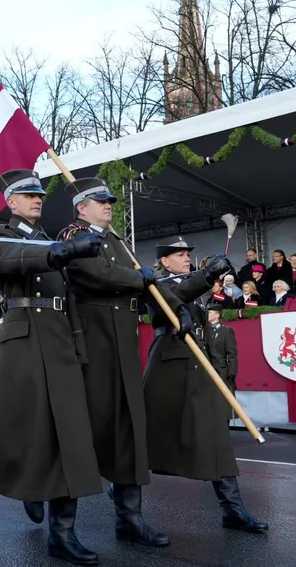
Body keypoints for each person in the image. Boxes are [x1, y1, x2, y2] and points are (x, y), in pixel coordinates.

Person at [0, 169, 104, 565]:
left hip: (59, 335)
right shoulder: (3, 235)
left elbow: (70, 297)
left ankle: (62, 533)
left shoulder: (47, 237)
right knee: (18, 422)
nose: (37, 199)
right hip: (25, 334)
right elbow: (9, 262)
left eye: (39, 194)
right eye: (28, 194)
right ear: (11, 201)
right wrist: (58, 253)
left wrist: (78, 343)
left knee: (69, 430)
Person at [58, 177, 170, 548]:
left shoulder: (118, 241)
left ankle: (130, 518)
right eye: (101, 201)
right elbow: (93, 273)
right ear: (82, 208)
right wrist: (135, 279)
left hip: (122, 338)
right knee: (86, 427)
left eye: (110, 201)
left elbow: (142, 283)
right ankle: (61, 526)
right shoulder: (74, 235)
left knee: (129, 429)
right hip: (95, 338)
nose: (109, 206)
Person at [146, 236, 268, 534]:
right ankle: (122, 496)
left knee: (215, 435)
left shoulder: (194, 287)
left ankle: (233, 509)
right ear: (164, 261)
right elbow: (177, 296)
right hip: (169, 366)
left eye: (188, 254)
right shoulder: (155, 283)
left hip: (200, 366)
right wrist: (208, 274)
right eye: (179, 255)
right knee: (148, 437)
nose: (186, 258)